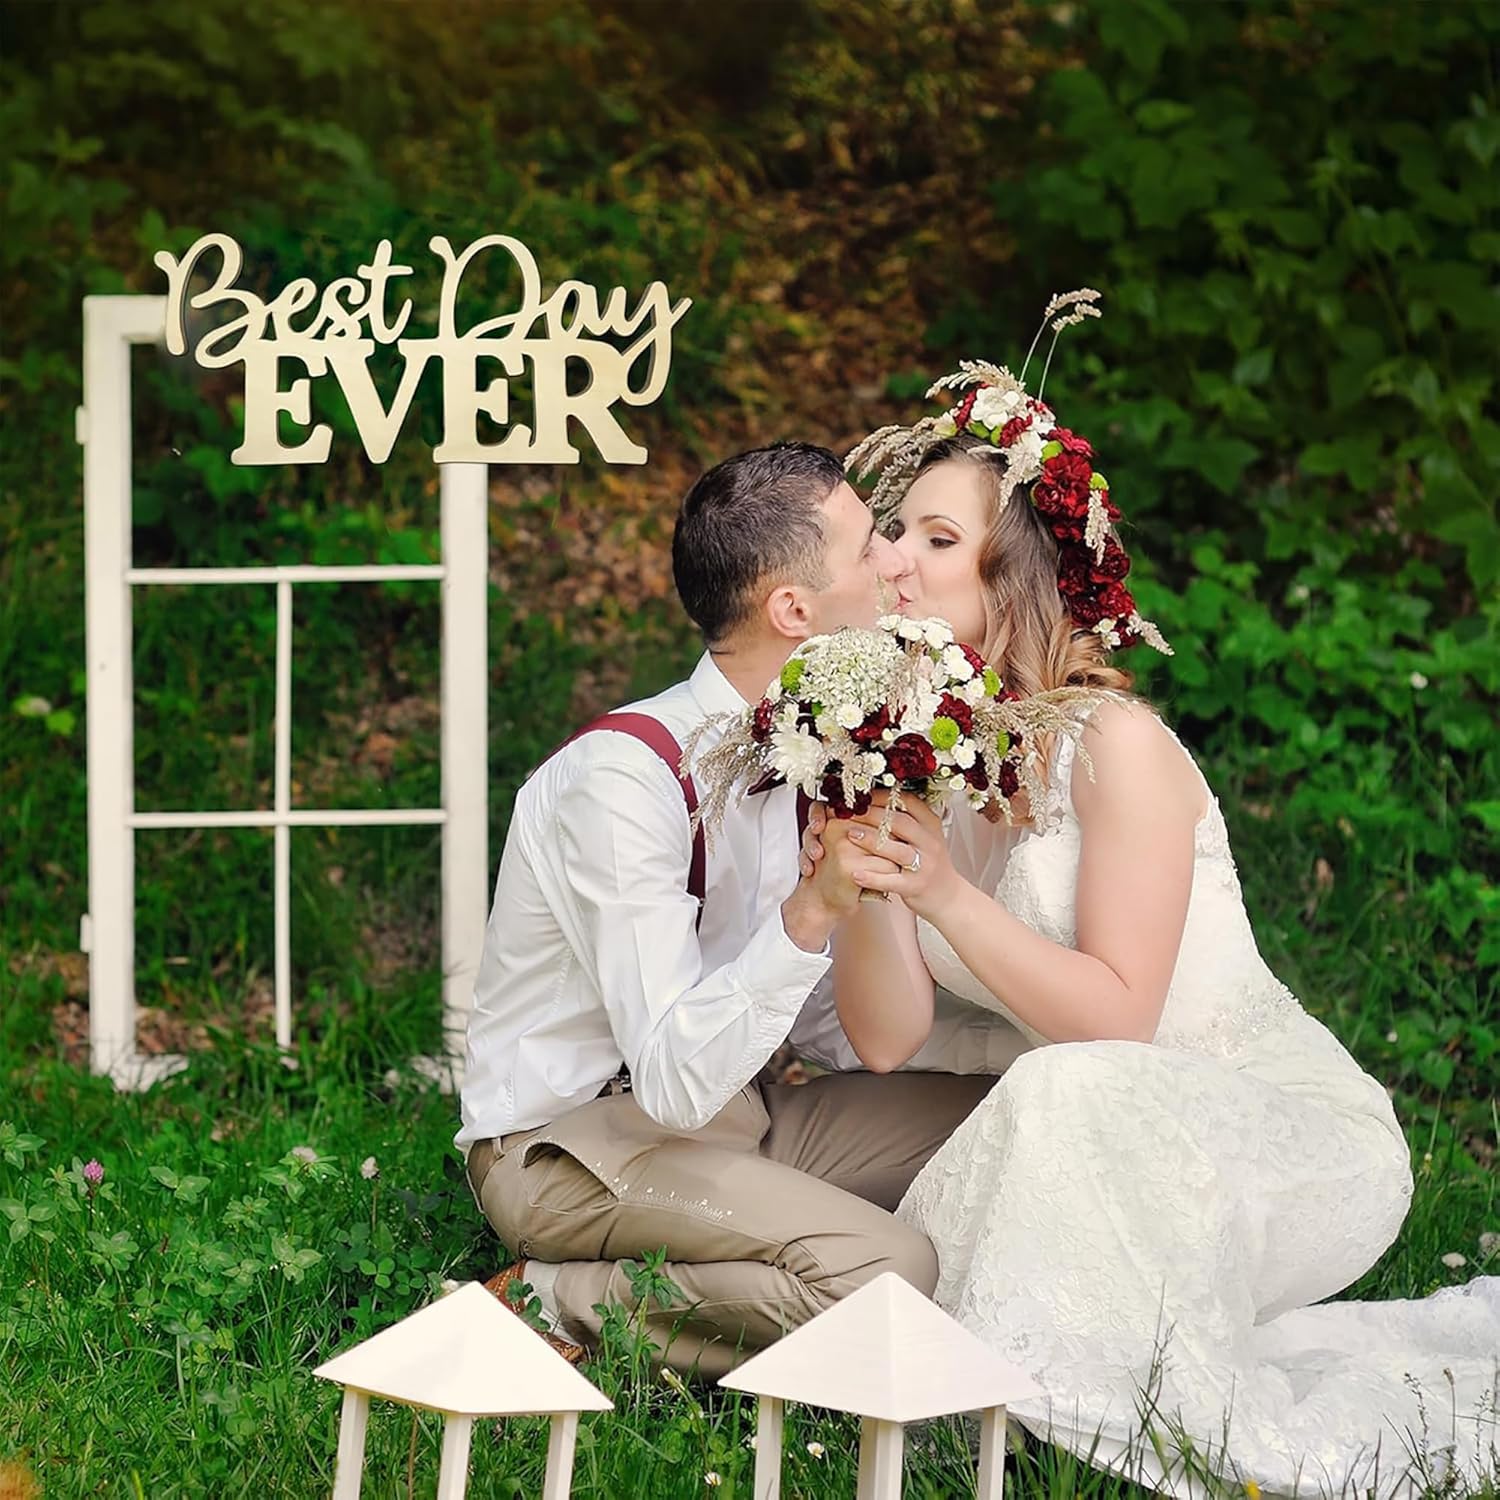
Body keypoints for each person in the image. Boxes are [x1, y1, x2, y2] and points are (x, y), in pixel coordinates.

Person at [801, 347, 1500, 1496]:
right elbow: (884, 1043)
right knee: (1025, 1108)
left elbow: (1122, 1020)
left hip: (1271, 1129)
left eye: (939, 538)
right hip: (1092, 1134)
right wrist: (870, 822)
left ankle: (1040, 1422)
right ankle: (989, 1407)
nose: (901, 566)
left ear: (1014, 568)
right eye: (898, 536)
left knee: (1050, 1093)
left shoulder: (1114, 748)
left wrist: (946, 896)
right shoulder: (924, 759)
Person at [456, 441, 1027, 1378]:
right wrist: (811, 912)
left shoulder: (824, 748)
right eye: (866, 547)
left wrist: (1044, 1051)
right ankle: (554, 1296)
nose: (895, 560)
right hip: (573, 1148)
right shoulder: (624, 780)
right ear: (794, 610)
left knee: (1022, 1120)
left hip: (740, 1115)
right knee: (885, 1268)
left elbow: (829, 1033)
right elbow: (673, 1083)